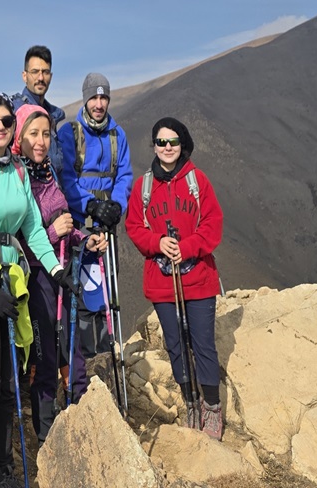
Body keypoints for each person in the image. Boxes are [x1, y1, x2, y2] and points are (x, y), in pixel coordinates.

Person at [0, 93, 78, 488]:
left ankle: (5, 466)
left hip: (13, 283)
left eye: (6, 121)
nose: (0, 127)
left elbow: (31, 228)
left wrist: (56, 269)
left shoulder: (19, 171)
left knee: (10, 383)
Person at [123, 117, 225, 440]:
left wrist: (188, 247)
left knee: (203, 344)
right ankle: (190, 402)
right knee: (176, 345)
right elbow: (134, 227)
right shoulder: (144, 188)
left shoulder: (197, 181)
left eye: (173, 141)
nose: (167, 147)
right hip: (163, 283)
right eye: (161, 142)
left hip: (198, 280)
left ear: (183, 144)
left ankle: (211, 406)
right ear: (154, 146)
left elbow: (213, 223)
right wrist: (158, 243)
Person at [11, 104, 106, 441]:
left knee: (73, 350)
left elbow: (64, 223)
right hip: (37, 277)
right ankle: (47, 436)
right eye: (33, 134)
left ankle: (81, 422)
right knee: (46, 356)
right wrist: (54, 232)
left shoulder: (48, 172)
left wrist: (84, 239)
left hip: (63, 272)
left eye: (46, 134)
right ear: (19, 137)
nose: (41, 141)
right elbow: (19, 238)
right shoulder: (15, 178)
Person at [57, 72, 132, 359]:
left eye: (103, 98)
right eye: (94, 98)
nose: (99, 104)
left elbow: (124, 175)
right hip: (81, 226)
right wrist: (89, 205)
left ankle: (108, 352)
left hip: (108, 225)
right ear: (85, 99)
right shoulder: (70, 133)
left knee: (107, 290)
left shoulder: (117, 135)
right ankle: (85, 359)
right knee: (84, 292)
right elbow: (66, 178)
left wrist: (117, 205)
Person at [11, 45, 67, 180]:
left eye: (45, 72)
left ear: (51, 76)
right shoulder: (14, 111)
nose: (40, 78)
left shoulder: (53, 115)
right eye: (35, 72)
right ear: (24, 76)